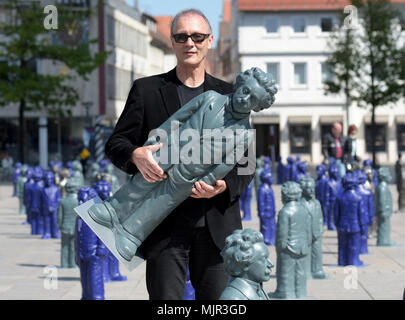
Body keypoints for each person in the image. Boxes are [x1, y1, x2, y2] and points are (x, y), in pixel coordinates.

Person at [101, 9, 257, 300]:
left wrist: (223, 186)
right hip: (163, 228)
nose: (190, 43)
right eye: (182, 36)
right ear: (172, 42)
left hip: (216, 227)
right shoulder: (146, 90)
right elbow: (116, 143)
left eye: (198, 36)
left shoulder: (232, 94)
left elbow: (246, 165)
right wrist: (136, 155)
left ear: (210, 41)